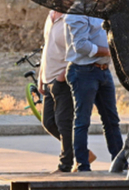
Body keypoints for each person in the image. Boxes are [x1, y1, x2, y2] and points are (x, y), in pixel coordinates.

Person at [64, 14, 123, 172]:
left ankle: (120, 164)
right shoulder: (76, 12)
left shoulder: (100, 10)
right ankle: (83, 166)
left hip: (104, 71)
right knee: (82, 121)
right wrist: (110, 51)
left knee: (112, 120)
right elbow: (81, 46)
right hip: (83, 71)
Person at [38, 10, 91, 173]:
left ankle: (65, 164)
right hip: (48, 78)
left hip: (62, 78)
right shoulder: (50, 16)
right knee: (48, 122)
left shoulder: (72, 18)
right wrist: (41, 76)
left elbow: (77, 49)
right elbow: (47, 47)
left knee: (63, 122)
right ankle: (82, 152)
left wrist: (62, 76)